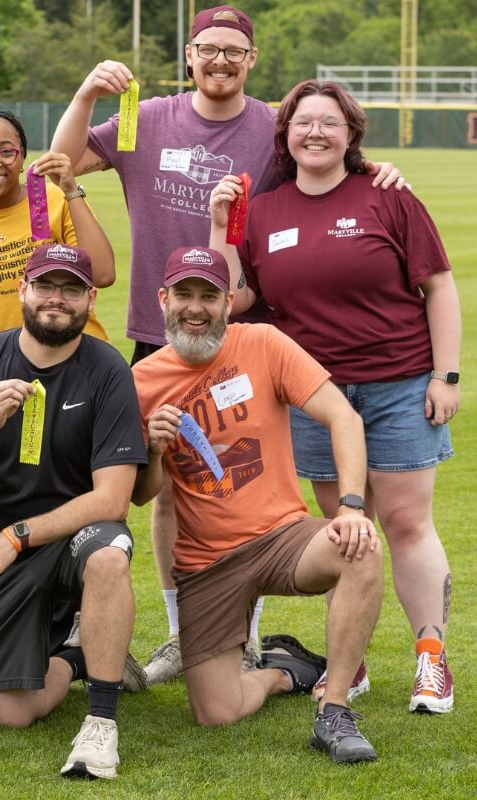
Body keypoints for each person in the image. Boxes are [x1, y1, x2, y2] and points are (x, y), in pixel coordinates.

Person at [50, 3, 406, 686]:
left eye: (232, 52)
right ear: (189, 54)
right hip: (159, 335)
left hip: (236, 330)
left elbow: (328, 163)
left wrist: (379, 173)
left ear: (251, 61)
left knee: (234, 481)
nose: (219, 61)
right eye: (207, 49)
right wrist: (87, 92)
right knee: (160, 492)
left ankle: (237, 638)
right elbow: (61, 167)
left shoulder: (273, 128)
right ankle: (183, 634)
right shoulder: (144, 117)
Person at [209, 79, 461, 713]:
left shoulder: (387, 196)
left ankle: (431, 659)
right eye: (302, 123)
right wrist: (219, 228)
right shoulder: (263, 211)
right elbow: (229, 300)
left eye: (329, 123)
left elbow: (439, 285)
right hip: (316, 397)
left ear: (351, 135)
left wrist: (445, 375)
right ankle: (356, 662)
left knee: (405, 522)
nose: (315, 132)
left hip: (400, 384)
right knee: (347, 531)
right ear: (285, 136)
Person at [131, 246, 384, 764]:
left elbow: (345, 418)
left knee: (360, 549)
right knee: (215, 712)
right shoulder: (140, 382)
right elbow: (140, 493)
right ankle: (283, 670)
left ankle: (334, 709)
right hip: (206, 564)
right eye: (184, 295)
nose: (195, 308)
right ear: (163, 300)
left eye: (208, 296)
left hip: (281, 538)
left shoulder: (264, 343)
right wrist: (153, 450)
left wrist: (352, 507)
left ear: (229, 302)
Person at [0, 244, 149, 779]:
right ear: (23, 290)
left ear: (89, 298)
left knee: (108, 555)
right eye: (46, 286)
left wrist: (17, 534)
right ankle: (83, 653)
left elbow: (114, 499)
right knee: (9, 713)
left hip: (70, 541)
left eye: (71, 289)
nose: (58, 299)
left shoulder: (107, 367)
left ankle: (101, 722)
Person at [0, 110, 115, 344]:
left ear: (22, 157)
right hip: (9, 372)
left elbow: (103, 275)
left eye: (7, 152)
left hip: (76, 360)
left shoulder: (56, 200)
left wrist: (70, 190)